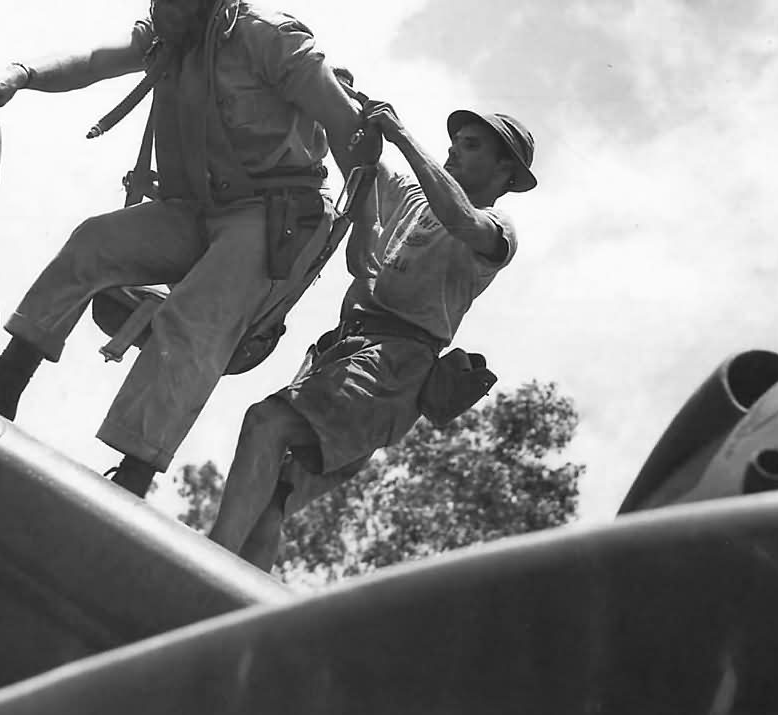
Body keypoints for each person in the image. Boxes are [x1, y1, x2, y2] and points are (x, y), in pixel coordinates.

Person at [0, 0, 364, 497]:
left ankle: (133, 475)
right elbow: (94, 59)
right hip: (199, 209)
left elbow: (349, 129)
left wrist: (363, 238)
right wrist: (18, 76)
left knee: (192, 320)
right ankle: (5, 384)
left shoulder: (269, 38)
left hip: (274, 216)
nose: (162, 6)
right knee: (95, 241)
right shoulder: (171, 35)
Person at [208, 99, 537, 571]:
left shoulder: (496, 228)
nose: (452, 151)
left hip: (393, 367)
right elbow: (362, 158)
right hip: (345, 352)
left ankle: (206, 561)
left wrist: (403, 136)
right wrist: (338, 98)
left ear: (505, 170)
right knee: (272, 495)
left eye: (470, 146)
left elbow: (461, 219)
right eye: (454, 143)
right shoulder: (414, 196)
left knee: (267, 422)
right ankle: (233, 595)